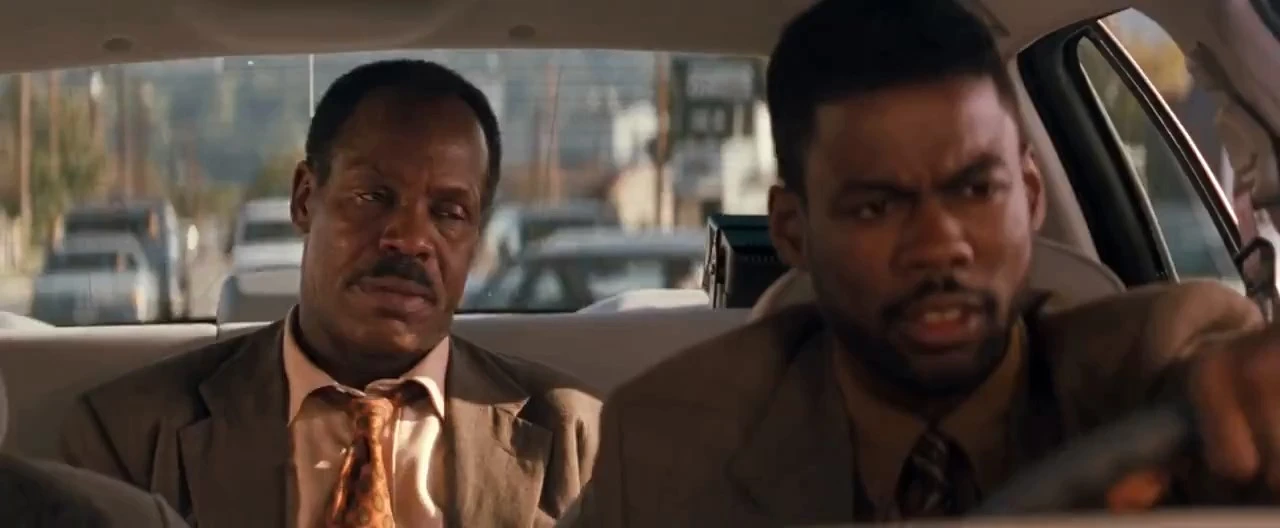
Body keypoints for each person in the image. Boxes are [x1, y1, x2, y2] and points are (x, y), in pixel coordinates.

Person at [562, 0, 1280, 525]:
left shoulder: (1152, 366)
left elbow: (1225, 371)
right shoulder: (667, 443)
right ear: (792, 232)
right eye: (876, 206)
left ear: (1030, 196)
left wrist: (1245, 391)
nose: (939, 244)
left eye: (975, 190)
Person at [60, 60, 601, 528]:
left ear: (476, 238)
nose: (410, 238)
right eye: (373, 196)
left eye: (449, 212)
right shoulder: (131, 436)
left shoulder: (574, 438)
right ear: (304, 199)